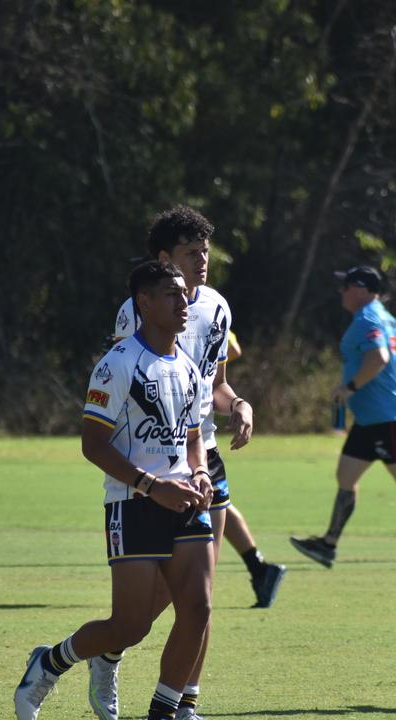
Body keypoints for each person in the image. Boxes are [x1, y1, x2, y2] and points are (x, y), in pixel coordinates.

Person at [104, 206, 285, 719]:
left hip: (202, 457)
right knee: (160, 597)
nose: (202, 261)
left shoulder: (219, 307)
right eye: (190, 253)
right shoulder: (135, 313)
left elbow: (216, 386)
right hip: (153, 464)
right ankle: (113, 648)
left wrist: (241, 405)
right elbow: (126, 386)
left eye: (206, 252)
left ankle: (185, 702)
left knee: (201, 592)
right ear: (165, 259)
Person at [15, 261, 213, 720]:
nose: (184, 303)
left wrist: (199, 473)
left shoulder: (187, 366)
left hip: (184, 501)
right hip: (133, 504)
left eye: (184, 294)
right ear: (144, 302)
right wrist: (149, 485)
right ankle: (50, 662)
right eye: (171, 294)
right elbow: (92, 443)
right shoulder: (118, 364)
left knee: (198, 608)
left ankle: (164, 711)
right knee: (130, 625)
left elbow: (194, 434)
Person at [290, 265, 396, 568]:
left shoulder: (368, 317)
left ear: (363, 290)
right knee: (346, 475)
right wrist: (394, 375)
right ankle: (327, 545)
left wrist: (351, 386)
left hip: (385, 416)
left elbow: (379, 357)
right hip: (371, 418)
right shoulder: (386, 317)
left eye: (347, 286)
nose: (341, 291)